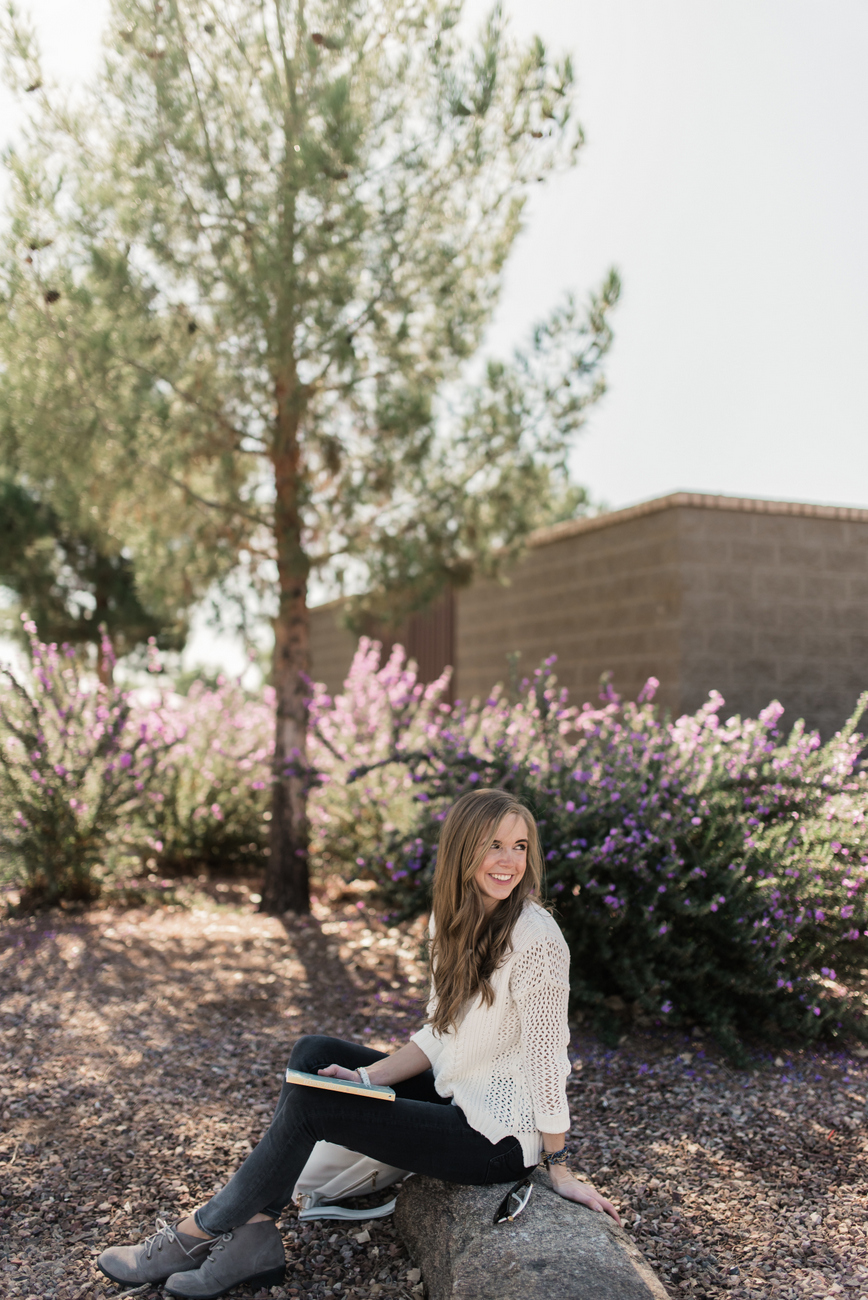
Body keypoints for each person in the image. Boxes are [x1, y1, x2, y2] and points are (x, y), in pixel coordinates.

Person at [98, 788, 620, 1299]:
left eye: (520, 846)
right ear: (464, 850)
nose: (509, 861)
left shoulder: (538, 940)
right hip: (457, 1097)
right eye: (494, 845)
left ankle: (197, 1234)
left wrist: (558, 1165)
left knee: (311, 1104)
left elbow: (548, 1059)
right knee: (313, 1055)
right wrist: (366, 1080)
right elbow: (440, 1033)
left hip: (495, 1140)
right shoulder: (453, 920)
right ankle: (254, 1236)